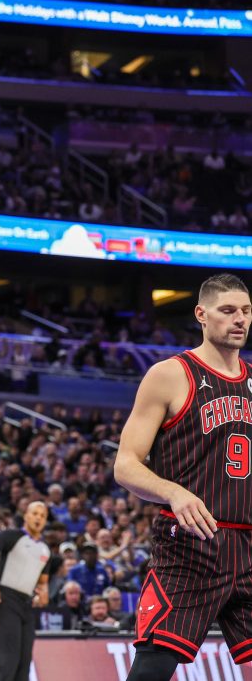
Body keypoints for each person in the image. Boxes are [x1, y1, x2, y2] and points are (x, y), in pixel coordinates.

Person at [114, 274, 252, 679]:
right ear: (201, 315)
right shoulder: (170, 374)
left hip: (247, 543)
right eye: (227, 311)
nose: (239, 319)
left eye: (245, 311)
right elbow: (125, 464)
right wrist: (173, 492)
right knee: (152, 670)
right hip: (191, 544)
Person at [0, 502, 51, 681]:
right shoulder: (12, 536)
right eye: (35, 513)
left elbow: (43, 582)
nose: (38, 518)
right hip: (4, 600)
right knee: (9, 661)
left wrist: (43, 594)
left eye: (42, 515)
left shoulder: (45, 550)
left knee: (24, 663)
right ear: (26, 516)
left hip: (26, 604)